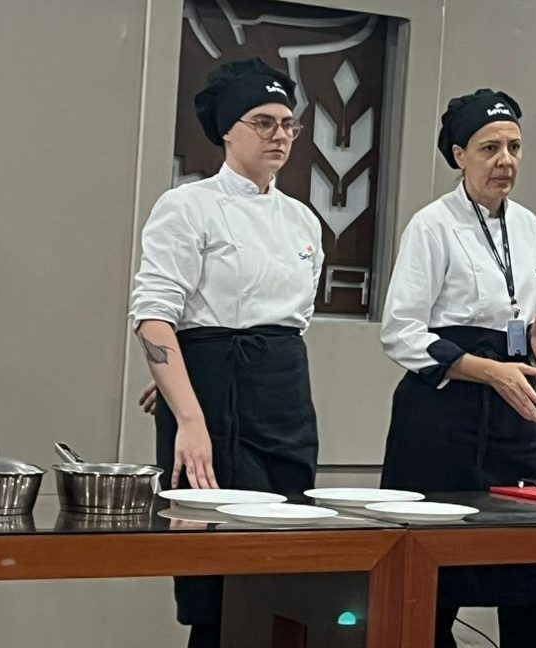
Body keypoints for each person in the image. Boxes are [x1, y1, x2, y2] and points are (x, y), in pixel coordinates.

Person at [128, 57, 323, 648]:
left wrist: (184, 366)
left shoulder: (303, 220)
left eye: (288, 124)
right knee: (219, 577)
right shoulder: (187, 206)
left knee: (283, 571)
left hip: (284, 397)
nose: (279, 135)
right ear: (227, 131)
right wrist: (189, 414)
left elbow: (288, 322)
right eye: (263, 122)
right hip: (213, 407)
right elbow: (154, 316)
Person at [378, 89, 536, 648]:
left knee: (529, 559)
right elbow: (401, 331)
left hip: (514, 406)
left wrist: (531, 335)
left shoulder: (528, 225)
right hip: (442, 413)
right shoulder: (432, 225)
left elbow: (529, 309)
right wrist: (486, 369)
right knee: (432, 570)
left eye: (514, 147)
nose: (505, 160)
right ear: (459, 154)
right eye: (490, 148)